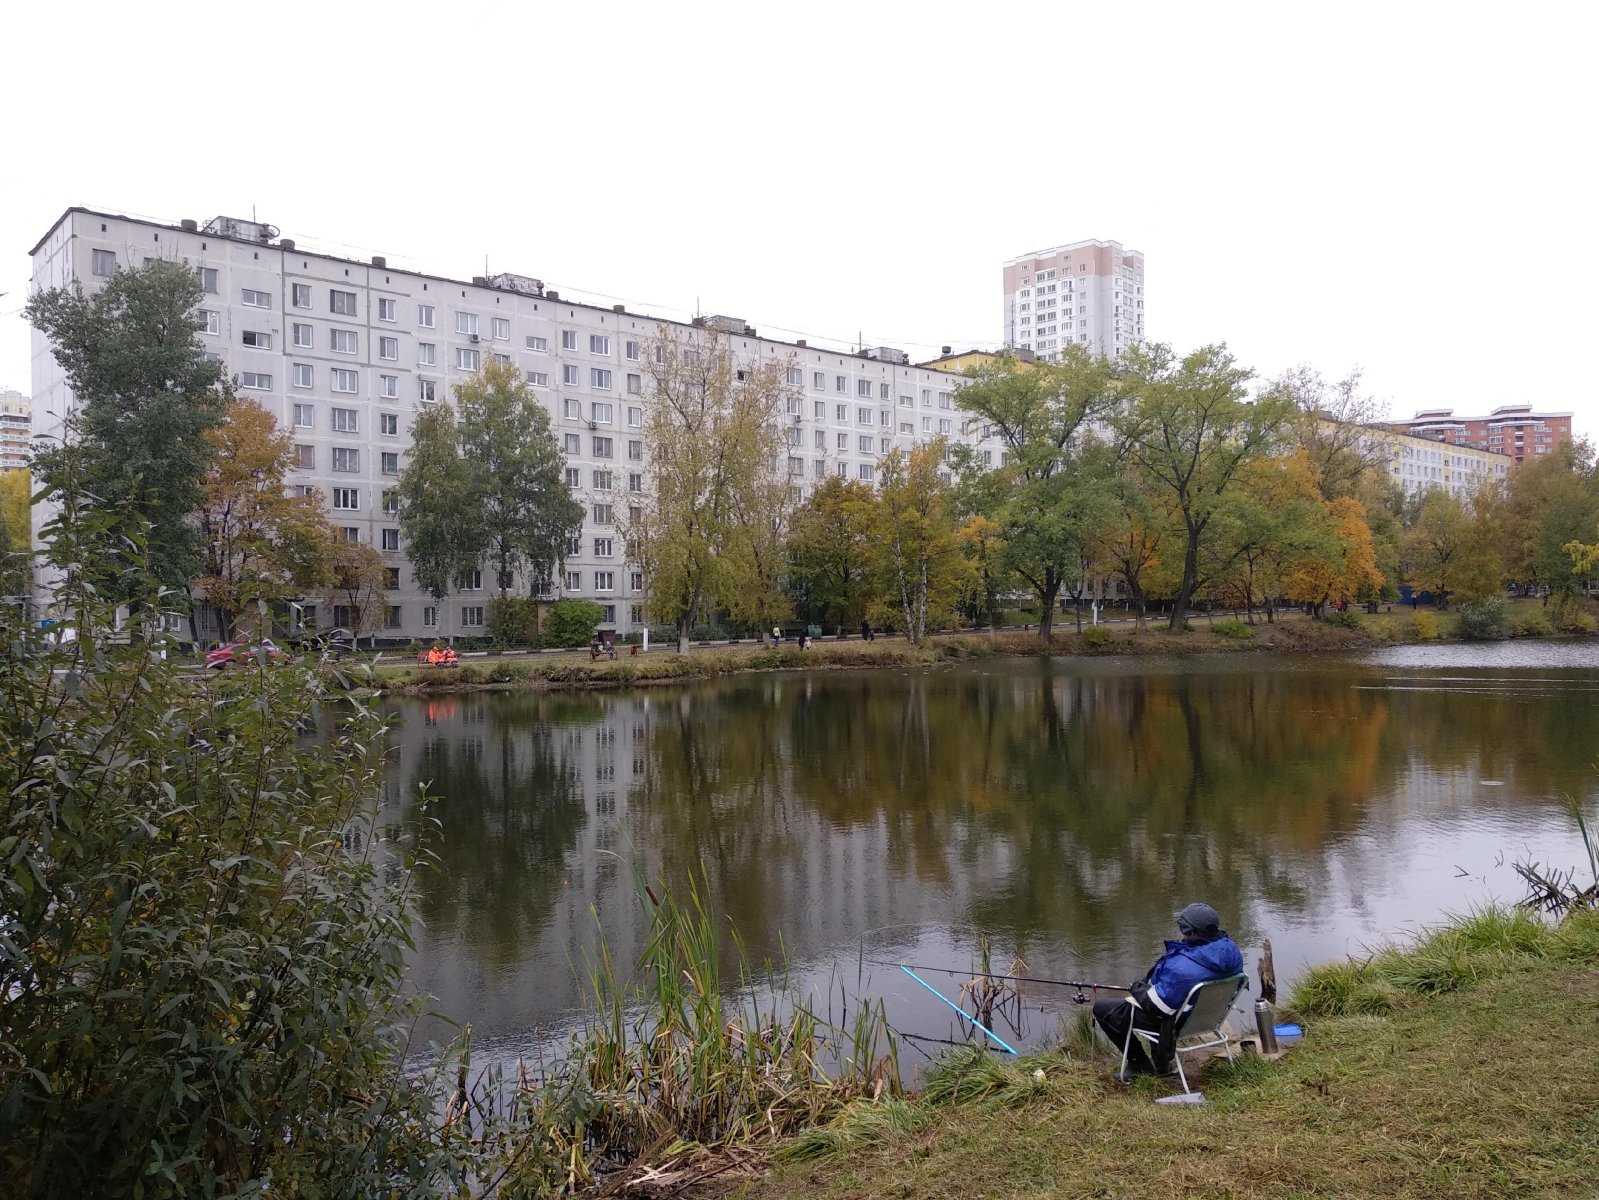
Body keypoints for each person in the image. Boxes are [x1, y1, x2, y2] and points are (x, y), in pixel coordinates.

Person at [1092, 902, 1243, 1080]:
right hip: (1209, 1019)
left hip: (1177, 1025)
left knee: (1103, 1008)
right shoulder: (1231, 951)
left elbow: (1157, 1008)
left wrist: (1138, 989)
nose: (1181, 932)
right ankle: (1162, 1065)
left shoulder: (1182, 968)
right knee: (1165, 998)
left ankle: (1140, 1065)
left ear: (1191, 932)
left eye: (1183, 928)